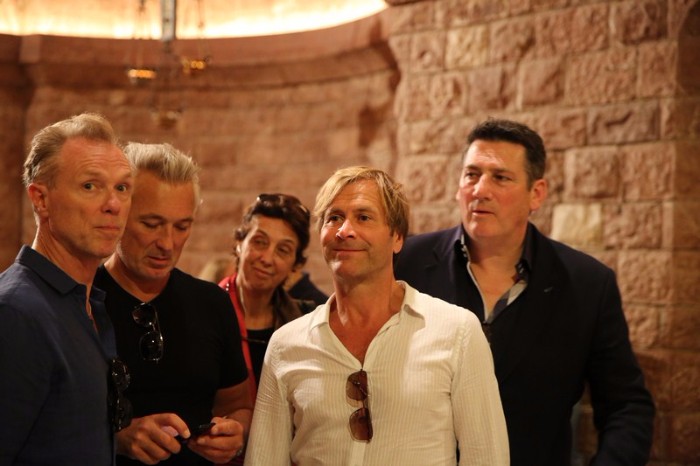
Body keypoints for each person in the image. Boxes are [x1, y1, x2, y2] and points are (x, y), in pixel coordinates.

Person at [394, 118, 655, 465]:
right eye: (471, 175)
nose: (480, 190)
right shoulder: (406, 264)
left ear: (537, 194)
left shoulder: (587, 284)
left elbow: (627, 406)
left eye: (500, 177)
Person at [245, 166, 509, 465]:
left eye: (363, 217)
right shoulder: (286, 345)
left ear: (397, 238)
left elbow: (487, 456)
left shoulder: (456, 331)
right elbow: (263, 459)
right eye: (334, 218)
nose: (345, 231)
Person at [93, 142, 251, 465]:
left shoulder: (213, 304)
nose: (167, 243)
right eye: (151, 224)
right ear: (119, 213)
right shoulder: (81, 300)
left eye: (182, 226)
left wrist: (235, 435)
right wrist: (116, 439)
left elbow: (238, 406)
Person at [0, 113, 133, 465]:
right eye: (90, 186)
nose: (113, 204)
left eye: (122, 188)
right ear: (41, 199)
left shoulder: (89, 303)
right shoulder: (16, 312)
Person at [218, 193, 317, 403]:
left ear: (296, 265)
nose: (267, 258)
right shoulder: (204, 310)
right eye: (260, 242)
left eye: (283, 250)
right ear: (239, 242)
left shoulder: (305, 324)